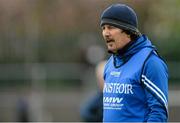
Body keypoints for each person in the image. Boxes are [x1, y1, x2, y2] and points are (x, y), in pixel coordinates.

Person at [100, 3, 168, 122]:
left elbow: (158, 113)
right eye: (103, 28)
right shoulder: (110, 63)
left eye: (111, 27)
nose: (106, 33)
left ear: (128, 31)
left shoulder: (150, 62)